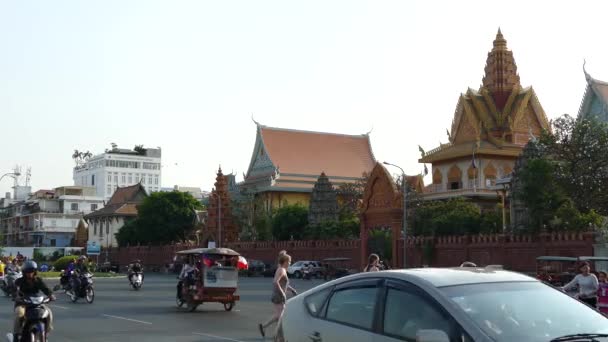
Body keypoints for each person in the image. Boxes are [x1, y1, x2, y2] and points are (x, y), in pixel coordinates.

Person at [12, 260, 55, 342]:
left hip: (36, 303)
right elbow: (14, 290)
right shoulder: (19, 281)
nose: (30, 273)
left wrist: (51, 295)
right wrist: (16, 296)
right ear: (24, 272)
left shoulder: (38, 280)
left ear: (35, 272)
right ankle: (16, 335)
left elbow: (45, 289)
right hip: (23, 303)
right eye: (27, 272)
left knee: (49, 313)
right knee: (19, 314)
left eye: (32, 271)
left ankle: (46, 332)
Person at [259, 253, 297, 338]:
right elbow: (276, 282)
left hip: (278, 295)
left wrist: (292, 290)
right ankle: (276, 336)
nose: (290, 263)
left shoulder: (282, 269)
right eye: (289, 261)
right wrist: (283, 293)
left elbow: (283, 284)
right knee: (281, 318)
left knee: (278, 316)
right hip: (278, 296)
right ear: (285, 262)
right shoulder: (282, 270)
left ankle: (264, 327)